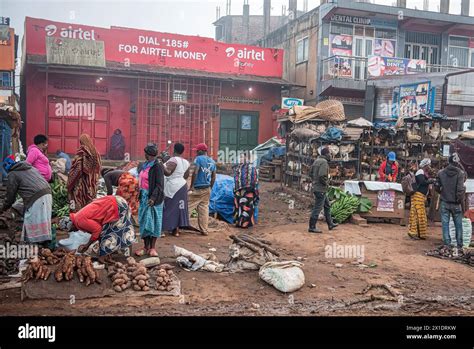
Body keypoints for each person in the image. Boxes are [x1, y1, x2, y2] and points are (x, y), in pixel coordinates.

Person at [0, 156, 52, 244]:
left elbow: (10, 196)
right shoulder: (30, 167)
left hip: (37, 197)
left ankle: (35, 245)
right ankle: (42, 243)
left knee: (32, 220)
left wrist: (3, 209)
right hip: (47, 193)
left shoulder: (13, 174)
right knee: (42, 220)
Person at [71, 195, 135, 264]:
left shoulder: (79, 221)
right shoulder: (78, 216)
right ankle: (108, 256)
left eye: (71, 230)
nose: (73, 231)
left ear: (71, 225)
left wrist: (87, 245)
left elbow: (97, 230)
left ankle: (104, 257)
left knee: (109, 232)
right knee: (116, 229)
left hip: (116, 206)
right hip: (117, 202)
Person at [135, 144, 165, 257]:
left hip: (154, 198)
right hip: (144, 197)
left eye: (145, 153)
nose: (144, 155)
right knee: (144, 222)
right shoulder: (145, 165)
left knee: (154, 222)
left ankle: (152, 247)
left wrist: (153, 198)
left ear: (148, 154)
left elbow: (159, 185)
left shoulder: (157, 166)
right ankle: (145, 246)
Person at [436, 154, 466, 252]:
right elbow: (460, 190)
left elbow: (437, 187)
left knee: (445, 224)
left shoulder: (441, 173)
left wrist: (443, 193)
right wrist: (458, 200)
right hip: (456, 203)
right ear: (457, 163)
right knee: (458, 225)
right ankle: (459, 245)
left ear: (449, 161)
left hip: (445, 202)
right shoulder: (460, 173)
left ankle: (447, 244)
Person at [67, 134, 102, 211]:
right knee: (89, 206)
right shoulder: (96, 153)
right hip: (92, 185)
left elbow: (78, 169)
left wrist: (70, 183)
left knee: (78, 203)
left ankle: (78, 219)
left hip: (81, 185)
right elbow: (98, 169)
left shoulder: (82, 152)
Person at [162, 143, 190, 237]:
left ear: (174, 150)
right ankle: (176, 231)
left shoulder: (173, 160)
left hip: (173, 186)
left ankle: (163, 229)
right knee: (179, 208)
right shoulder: (186, 162)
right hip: (182, 185)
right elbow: (186, 176)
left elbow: (168, 173)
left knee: (168, 207)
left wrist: (161, 164)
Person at [188, 143, 216, 236]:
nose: (196, 152)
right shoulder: (212, 161)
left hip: (197, 188)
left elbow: (195, 172)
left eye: (197, 150)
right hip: (207, 188)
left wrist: (191, 186)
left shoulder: (198, 159)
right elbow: (213, 177)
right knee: (204, 209)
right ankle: (204, 230)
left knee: (186, 205)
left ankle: (179, 226)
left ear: (202, 151)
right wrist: (210, 187)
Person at [308, 147, 337, 233]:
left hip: (317, 187)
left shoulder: (316, 161)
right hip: (320, 189)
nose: (330, 156)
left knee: (327, 205)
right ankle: (312, 227)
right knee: (317, 208)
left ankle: (330, 224)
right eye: (330, 154)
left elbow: (310, 173)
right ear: (326, 154)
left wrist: (315, 181)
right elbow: (321, 175)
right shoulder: (324, 162)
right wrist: (326, 183)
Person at [408, 158, 433, 240]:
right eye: (428, 165)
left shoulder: (423, 172)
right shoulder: (420, 172)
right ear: (425, 165)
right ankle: (413, 233)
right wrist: (430, 181)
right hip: (417, 196)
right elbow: (422, 182)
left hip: (421, 196)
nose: (429, 167)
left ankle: (419, 233)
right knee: (416, 214)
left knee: (420, 214)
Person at [233, 154, 259, 228]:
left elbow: (254, 179)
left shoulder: (252, 167)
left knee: (247, 207)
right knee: (238, 206)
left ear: (247, 158)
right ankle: (239, 222)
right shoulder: (238, 167)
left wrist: (251, 188)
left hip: (248, 190)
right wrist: (236, 189)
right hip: (239, 190)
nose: (240, 159)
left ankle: (246, 224)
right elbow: (236, 178)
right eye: (240, 157)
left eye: (242, 157)